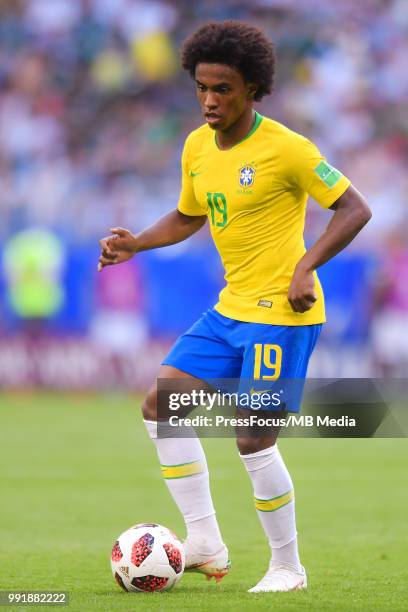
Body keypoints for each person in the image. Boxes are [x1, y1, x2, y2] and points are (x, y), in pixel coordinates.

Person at [98, 21, 371, 593]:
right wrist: (138, 243)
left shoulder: (287, 148)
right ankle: (203, 541)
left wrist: (305, 266)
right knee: (160, 406)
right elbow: (190, 213)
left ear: (252, 87)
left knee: (252, 439)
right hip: (230, 310)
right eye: (202, 87)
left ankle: (287, 568)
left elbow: (353, 208)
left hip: (282, 314)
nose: (210, 100)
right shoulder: (198, 145)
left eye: (223, 89)